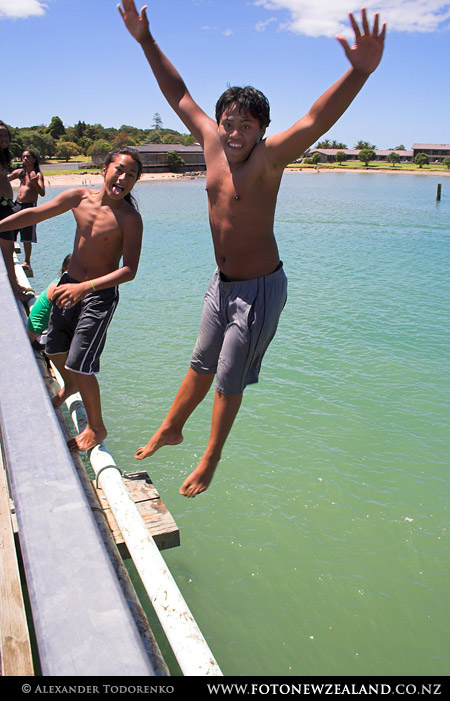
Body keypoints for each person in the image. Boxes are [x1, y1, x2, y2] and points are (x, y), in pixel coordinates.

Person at [119, 1, 386, 498]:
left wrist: (358, 72)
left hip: (259, 291)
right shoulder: (210, 142)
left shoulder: (271, 158)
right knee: (201, 361)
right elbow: (177, 93)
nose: (234, 131)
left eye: (245, 125)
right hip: (220, 284)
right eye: (228, 121)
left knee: (228, 375)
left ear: (262, 129)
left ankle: (211, 457)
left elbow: (316, 117)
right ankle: (172, 427)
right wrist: (145, 41)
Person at [0, 147, 143, 452]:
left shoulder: (130, 218)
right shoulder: (78, 197)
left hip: (99, 295)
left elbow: (129, 270)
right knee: (53, 349)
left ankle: (97, 427)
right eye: (119, 169)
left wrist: (86, 287)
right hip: (68, 286)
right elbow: (35, 213)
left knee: (80, 362)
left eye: (132, 175)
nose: (124, 178)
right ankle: (71, 387)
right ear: (104, 169)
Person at [0, 120, 34, 302]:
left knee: (8, 248)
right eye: (0, 135)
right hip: (1, 206)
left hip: (6, 205)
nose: (4, 138)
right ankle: (15, 289)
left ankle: (15, 284)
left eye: (5, 134)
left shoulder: (3, 156)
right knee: (6, 251)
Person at [9, 149, 46, 276]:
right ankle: (9, 255)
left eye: (28, 157)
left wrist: (35, 182)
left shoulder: (37, 174)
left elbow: (42, 192)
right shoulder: (20, 172)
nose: (25, 159)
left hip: (29, 207)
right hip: (16, 205)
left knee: (27, 237)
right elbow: (6, 179)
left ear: (34, 159)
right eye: (23, 157)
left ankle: (27, 261)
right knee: (10, 230)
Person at [27, 253, 72, 346]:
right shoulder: (59, 287)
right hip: (38, 337)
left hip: (37, 333)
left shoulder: (58, 281)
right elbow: (63, 319)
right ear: (64, 268)